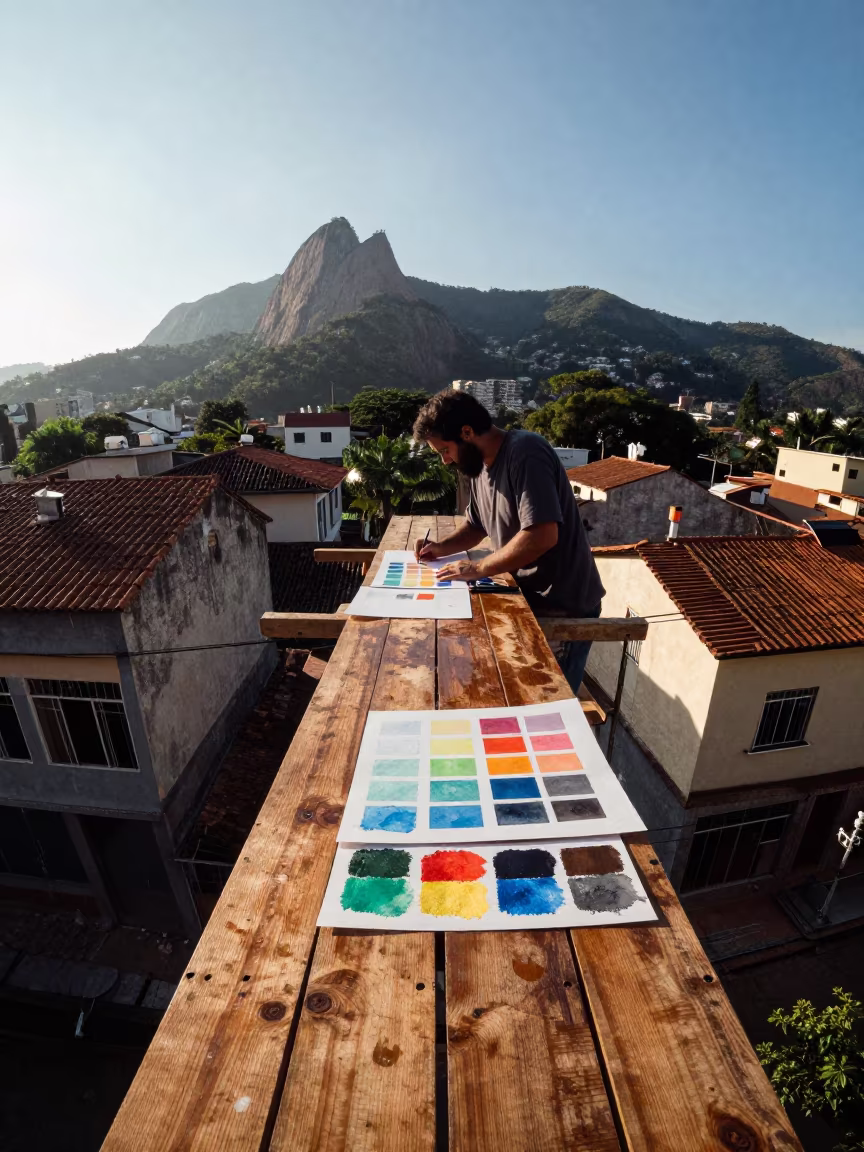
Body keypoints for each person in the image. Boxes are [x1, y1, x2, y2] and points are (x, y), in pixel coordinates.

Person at [412, 389, 604, 691]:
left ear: (467, 432)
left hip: (563, 607)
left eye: (445, 450)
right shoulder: (477, 468)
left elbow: (542, 535)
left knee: (548, 704)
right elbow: (477, 526)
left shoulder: (526, 452)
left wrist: (478, 568)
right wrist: (440, 547)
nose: (446, 461)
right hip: (528, 599)